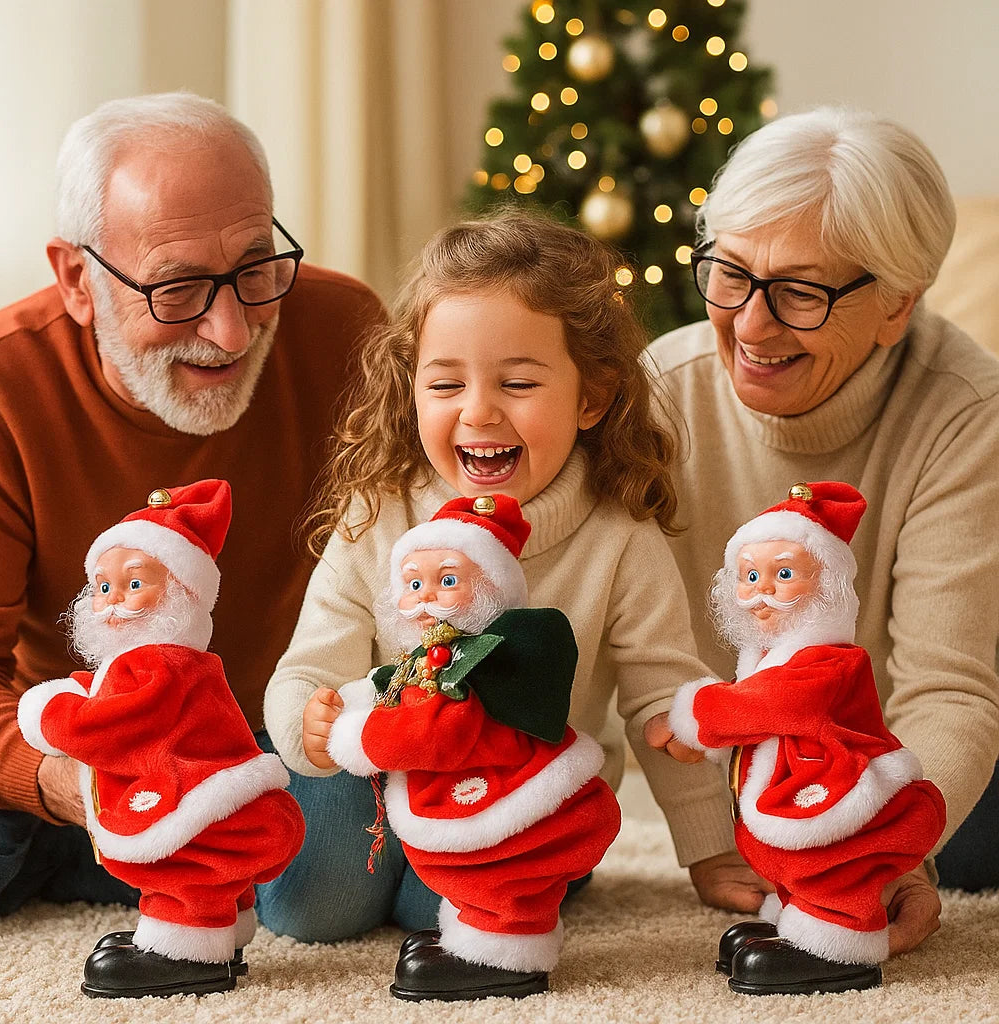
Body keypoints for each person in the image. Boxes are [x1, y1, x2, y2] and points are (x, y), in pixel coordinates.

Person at [263, 211, 746, 945]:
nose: (478, 411)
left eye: (517, 382)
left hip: (527, 790)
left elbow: (662, 703)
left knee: (449, 916)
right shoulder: (379, 512)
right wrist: (312, 728)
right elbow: (307, 669)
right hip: (370, 776)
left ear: (591, 397)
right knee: (314, 914)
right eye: (446, 383)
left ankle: (417, 875)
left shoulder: (619, 537)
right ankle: (370, 860)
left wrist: (710, 849)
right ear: (412, 389)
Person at [0, 92, 382, 927]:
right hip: (77, 745)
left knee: (331, 879)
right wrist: (70, 786)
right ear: (77, 279)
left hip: (274, 733)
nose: (232, 332)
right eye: (179, 289)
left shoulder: (348, 332)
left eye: (255, 268)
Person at [644, 107, 999, 955]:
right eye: (729, 273)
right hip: (749, 755)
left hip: (883, 750)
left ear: (897, 306)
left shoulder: (966, 412)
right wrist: (704, 835)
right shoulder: (663, 391)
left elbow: (948, 690)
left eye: (800, 292)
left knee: (981, 843)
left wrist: (883, 847)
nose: (751, 326)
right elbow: (642, 656)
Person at [311, 493, 621, 1001]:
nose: (427, 596)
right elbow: (395, 685)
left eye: (447, 580)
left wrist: (356, 735)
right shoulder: (431, 659)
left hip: (509, 792)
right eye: (413, 583)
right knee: (468, 871)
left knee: (501, 867)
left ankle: (505, 955)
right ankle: (472, 935)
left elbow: (439, 730)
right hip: (476, 789)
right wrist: (349, 702)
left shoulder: (481, 657)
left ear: (490, 590)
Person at [649, 481, 945, 996]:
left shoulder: (830, 660)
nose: (762, 591)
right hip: (788, 790)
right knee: (787, 857)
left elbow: (774, 704)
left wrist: (692, 715)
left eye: (784, 575)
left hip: (833, 787)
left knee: (827, 858)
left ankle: (838, 939)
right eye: (749, 577)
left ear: (825, 587)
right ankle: (796, 918)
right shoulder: (766, 659)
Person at [17, 479, 305, 998]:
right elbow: (108, 688)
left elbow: (104, 724)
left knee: (184, 863)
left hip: (193, 795)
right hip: (214, 791)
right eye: (102, 587)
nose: (112, 602)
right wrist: (76, 688)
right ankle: (225, 930)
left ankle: (186, 947)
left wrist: (49, 710)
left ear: (180, 592)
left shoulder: (161, 665)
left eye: (133, 584)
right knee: (207, 863)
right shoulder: (157, 661)